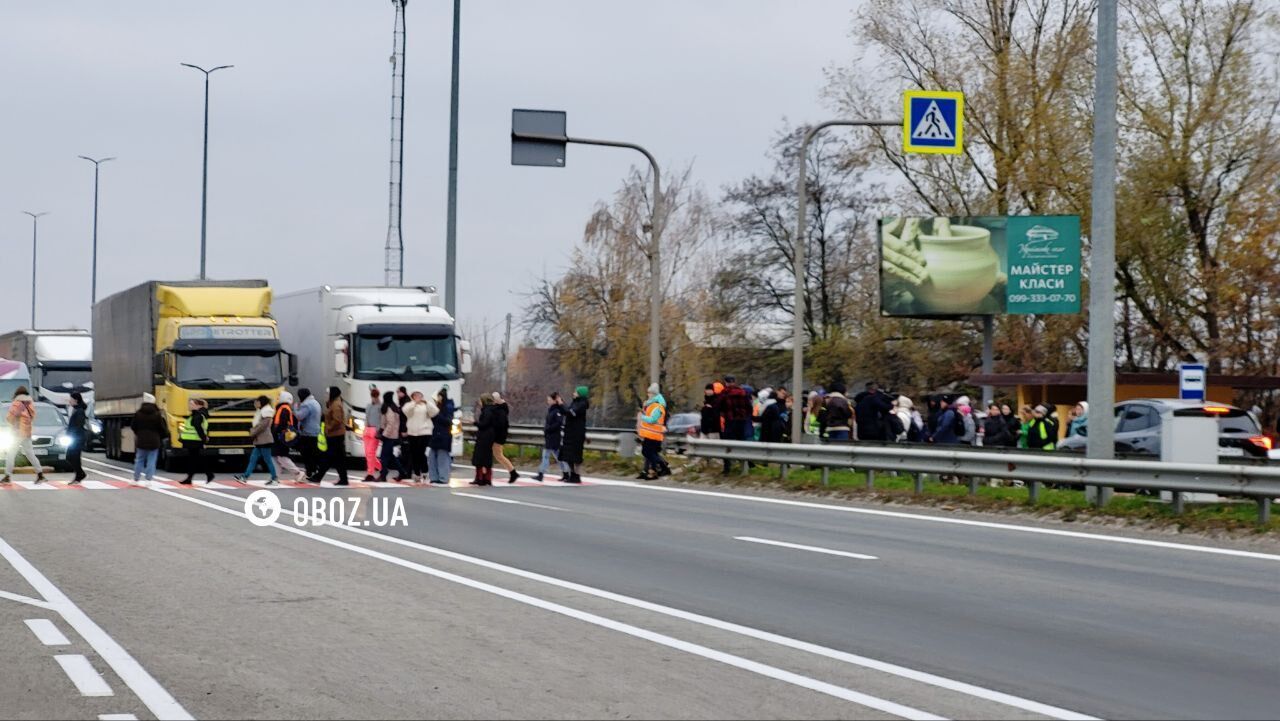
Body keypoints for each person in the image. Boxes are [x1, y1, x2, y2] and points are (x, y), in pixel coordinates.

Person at [1, 387, 45, 484]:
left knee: (11, 455)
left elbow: (9, 418)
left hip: (17, 433)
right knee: (30, 454)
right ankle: (40, 474)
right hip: (27, 433)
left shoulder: (16, 403)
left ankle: (7, 476)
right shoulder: (30, 404)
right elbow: (33, 416)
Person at [309, 386, 349, 485]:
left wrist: (328, 428)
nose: (326, 395)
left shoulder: (336, 405)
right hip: (335, 434)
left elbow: (337, 420)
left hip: (335, 435)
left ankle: (319, 476)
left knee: (329, 457)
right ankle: (343, 479)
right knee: (338, 458)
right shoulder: (333, 403)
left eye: (328, 393)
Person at [236, 396, 278, 484]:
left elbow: (262, 426)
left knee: (267, 460)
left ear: (261, 402)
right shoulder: (261, 411)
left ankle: (274, 478)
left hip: (264, 439)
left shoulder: (267, 412)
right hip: (260, 439)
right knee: (253, 459)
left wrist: (252, 432)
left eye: (257, 402)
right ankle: (245, 476)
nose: (255, 404)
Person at [717, 375, 755, 473]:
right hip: (741, 422)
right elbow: (749, 408)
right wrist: (744, 415)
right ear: (734, 381)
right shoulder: (743, 393)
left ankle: (727, 468)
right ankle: (746, 465)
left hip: (730, 422)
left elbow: (718, 406)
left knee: (727, 445)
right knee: (741, 444)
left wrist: (724, 414)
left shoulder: (724, 393)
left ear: (726, 382)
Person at [637, 383, 671, 480]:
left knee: (647, 452)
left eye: (650, 393)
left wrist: (642, 417)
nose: (648, 395)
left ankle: (663, 465)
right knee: (650, 453)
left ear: (654, 394)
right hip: (650, 433)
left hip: (654, 434)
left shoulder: (658, 406)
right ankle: (653, 471)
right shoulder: (651, 404)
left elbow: (653, 419)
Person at [404, 390, 438, 483]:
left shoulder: (426, 405)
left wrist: (427, 403)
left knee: (422, 453)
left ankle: (425, 471)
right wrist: (414, 403)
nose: (418, 397)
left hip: (425, 432)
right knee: (414, 454)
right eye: (415, 395)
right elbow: (406, 411)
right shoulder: (410, 405)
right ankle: (416, 473)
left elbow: (435, 412)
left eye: (419, 395)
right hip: (412, 432)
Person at [130, 394, 164, 484]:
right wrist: (160, 435)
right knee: (151, 460)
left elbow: (133, 426)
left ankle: (136, 479)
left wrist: (139, 433)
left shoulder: (138, 413)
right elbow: (161, 427)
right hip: (154, 440)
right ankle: (148, 479)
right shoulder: (157, 414)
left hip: (141, 439)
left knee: (139, 459)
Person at [559, 386, 590, 484]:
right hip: (569, 432)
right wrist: (561, 405)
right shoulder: (575, 402)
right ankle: (572, 474)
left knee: (576, 456)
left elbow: (571, 413)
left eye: (576, 392)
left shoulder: (582, 403)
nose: (573, 393)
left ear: (580, 394)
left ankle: (576, 475)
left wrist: (562, 404)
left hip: (577, 433)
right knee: (567, 456)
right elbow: (567, 411)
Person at [271, 391, 304, 482]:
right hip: (280, 436)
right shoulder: (284, 408)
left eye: (279, 397)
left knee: (281, 457)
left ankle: (297, 472)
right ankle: (275, 476)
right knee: (275, 456)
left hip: (281, 437)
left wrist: (276, 432)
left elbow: (282, 423)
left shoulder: (283, 409)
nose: (277, 399)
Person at [536, 392, 568, 482]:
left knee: (545, 455)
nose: (548, 401)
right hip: (550, 436)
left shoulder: (557, 411)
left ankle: (541, 474)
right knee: (558, 456)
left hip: (553, 437)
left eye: (549, 399)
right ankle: (566, 473)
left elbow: (558, 423)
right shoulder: (551, 410)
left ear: (554, 400)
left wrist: (548, 429)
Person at [427, 388, 456, 484]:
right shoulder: (439, 406)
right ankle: (434, 477)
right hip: (436, 434)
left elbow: (448, 421)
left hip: (444, 435)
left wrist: (436, 415)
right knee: (432, 456)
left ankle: (443, 477)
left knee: (442, 457)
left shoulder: (448, 407)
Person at [489, 392, 519, 483]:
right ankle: (512, 472)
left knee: (499, 455)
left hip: (498, 436)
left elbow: (500, 425)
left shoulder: (500, 411)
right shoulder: (501, 409)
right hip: (499, 435)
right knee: (497, 455)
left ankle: (513, 472)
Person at [295, 388, 322, 479]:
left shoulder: (306, 405)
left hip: (307, 433)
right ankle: (313, 470)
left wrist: (295, 408)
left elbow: (299, 416)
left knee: (306, 454)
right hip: (315, 431)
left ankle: (310, 471)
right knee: (313, 453)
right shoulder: (315, 402)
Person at [376, 391, 402, 483]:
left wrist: (384, 435)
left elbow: (390, 424)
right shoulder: (393, 407)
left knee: (384, 456)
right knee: (390, 456)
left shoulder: (389, 409)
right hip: (391, 435)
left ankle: (383, 474)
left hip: (389, 436)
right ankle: (402, 472)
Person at [470, 395, 496, 486]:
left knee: (479, 458)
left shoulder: (487, 411)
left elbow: (484, 424)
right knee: (487, 458)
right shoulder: (493, 410)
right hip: (490, 436)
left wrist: (475, 423)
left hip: (484, 437)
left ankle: (480, 478)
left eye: (480, 401)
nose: (479, 403)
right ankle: (487, 478)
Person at [65, 391, 88, 484]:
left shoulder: (79, 411)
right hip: (75, 438)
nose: (69, 401)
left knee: (72, 457)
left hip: (77, 438)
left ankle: (80, 474)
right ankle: (79, 475)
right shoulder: (76, 409)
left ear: (76, 400)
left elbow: (78, 425)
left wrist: (72, 434)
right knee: (72, 457)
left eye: (71, 399)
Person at [363, 387, 383, 483]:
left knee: (370, 453)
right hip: (367, 429)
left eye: (375, 396)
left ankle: (370, 473)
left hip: (375, 429)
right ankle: (381, 468)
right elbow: (367, 417)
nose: (374, 397)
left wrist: (379, 430)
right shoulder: (368, 406)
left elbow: (381, 419)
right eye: (373, 395)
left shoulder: (380, 406)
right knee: (368, 454)